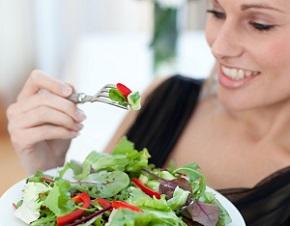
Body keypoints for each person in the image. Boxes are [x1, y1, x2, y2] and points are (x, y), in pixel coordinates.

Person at [6, 0, 290, 225]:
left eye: (259, 24)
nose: (219, 46)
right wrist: (48, 171)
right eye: (216, 11)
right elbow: (94, 211)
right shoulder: (165, 98)